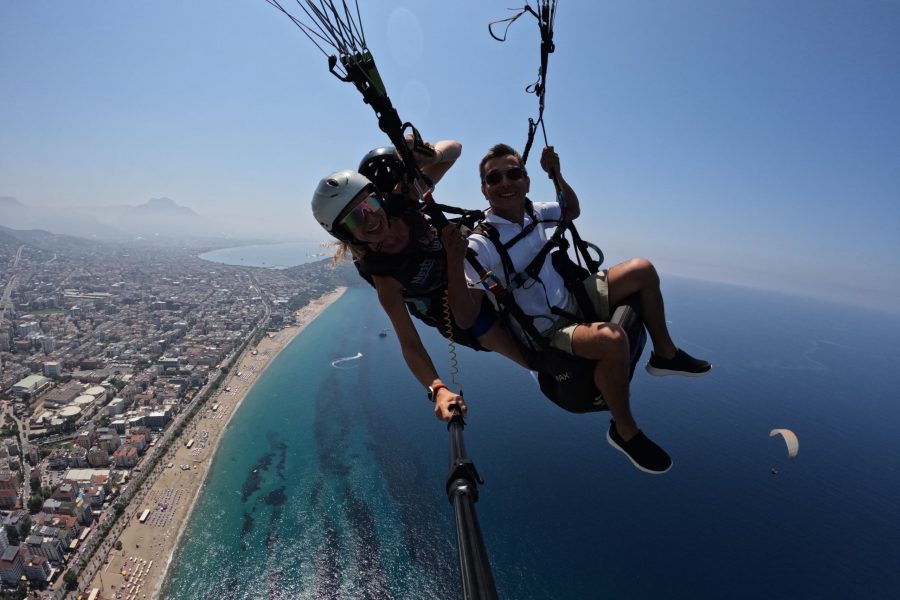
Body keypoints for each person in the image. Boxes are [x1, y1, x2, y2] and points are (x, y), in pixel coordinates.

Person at [444, 143, 711, 474]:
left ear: (526, 180)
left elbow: (571, 210)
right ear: (484, 190)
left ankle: (665, 355)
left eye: (513, 174)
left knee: (643, 269)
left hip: (573, 297)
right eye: (494, 178)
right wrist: (454, 266)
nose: (505, 183)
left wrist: (556, 175)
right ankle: (625, 431)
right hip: (547, 331)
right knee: (612, 340)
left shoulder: (534, 211)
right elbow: (466, 317)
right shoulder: (481, 244)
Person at [311, 159, 527, 423]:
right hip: (459, 310)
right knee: (530, 357)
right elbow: (409, 343)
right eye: (355, 218)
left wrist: (414, 154)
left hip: (477, 261)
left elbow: (453, 149)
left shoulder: (407, 202)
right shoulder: (386, 278)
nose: (369, 219)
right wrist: (438, 389)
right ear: (346, 234)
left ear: (380, 198)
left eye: (370, 205)